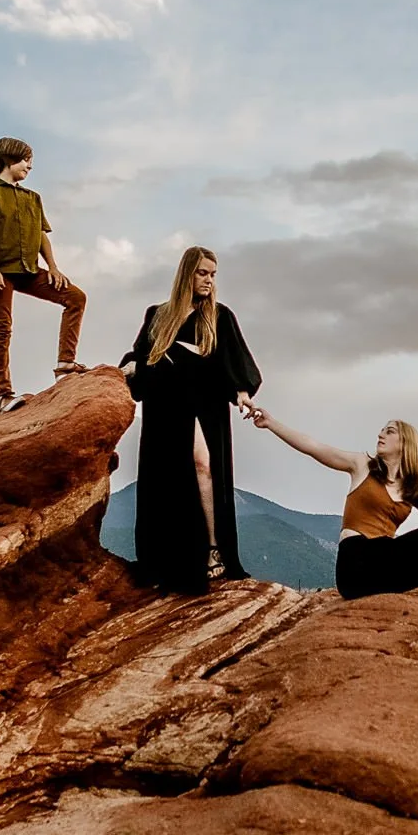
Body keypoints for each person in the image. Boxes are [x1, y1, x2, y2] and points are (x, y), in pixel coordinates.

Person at [245, 406, 418, 615]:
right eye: (382, 429)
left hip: (385, 565)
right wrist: (271, 423)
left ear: (404, 443)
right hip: (356, 565)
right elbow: (314, 447)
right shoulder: (362, 465)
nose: (381, 434)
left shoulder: (412, 487)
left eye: (389, 431)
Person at [122, 248, 260, 592]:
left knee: (203, 464)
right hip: (166, 406)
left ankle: (215, 549)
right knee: (167, 478)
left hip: (205, 404)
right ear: (187, 274)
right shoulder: (158, 315)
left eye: (213, 274)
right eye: (202, 273)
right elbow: (141, 358)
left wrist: (243, 392)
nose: (209, 280)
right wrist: (132, 367)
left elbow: (235, 360)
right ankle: (168, 559)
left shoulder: (220, 317)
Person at [0, 138, 88, 412]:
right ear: (9, 160)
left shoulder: (32, 197)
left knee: (75, 297)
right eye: (26, 160)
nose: (30, 165)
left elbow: (42, 236)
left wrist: (54, 268)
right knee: (1, 327)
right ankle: (4, 394)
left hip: (29, 270)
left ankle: (65, 364)